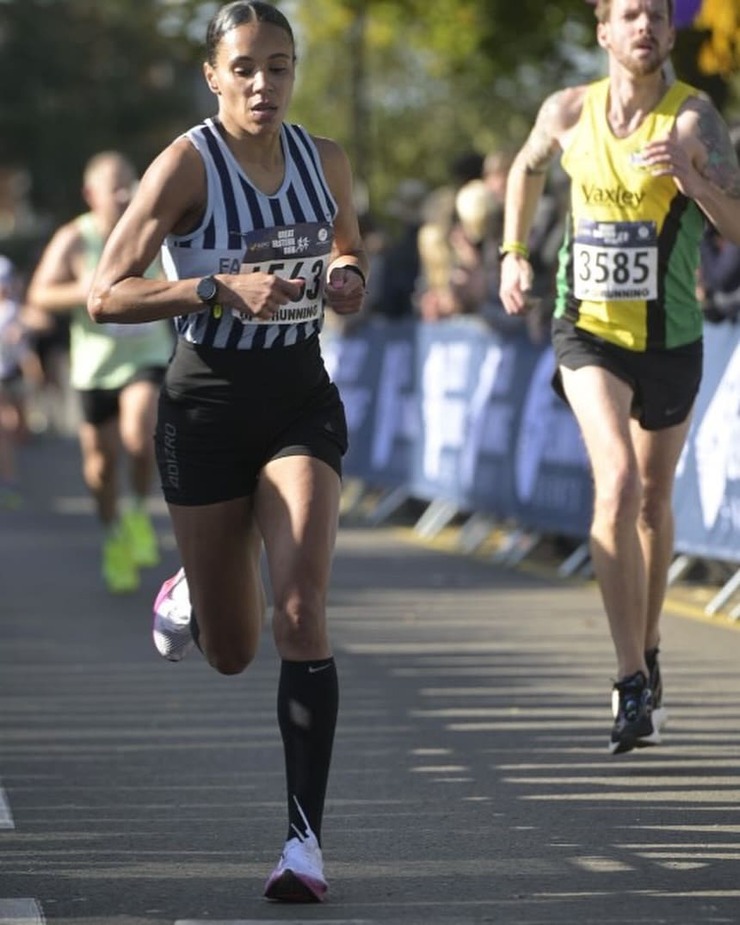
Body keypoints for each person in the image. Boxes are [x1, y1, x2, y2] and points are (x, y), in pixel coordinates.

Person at [86, 1, 367, 904]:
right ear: (214, 74)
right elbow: (106, 294)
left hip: (297, 398)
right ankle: (193, 589)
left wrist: (348, 273)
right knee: (234, 649)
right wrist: (212, 286)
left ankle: (303, 845)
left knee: (300, 610)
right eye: (244, 66)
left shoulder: (324, 161)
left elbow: (348, 243)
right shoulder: (185, 164)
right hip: (204, 405)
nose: (262, 83)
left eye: (278, 66)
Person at [500, 0, 740, 755]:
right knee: (618, 486)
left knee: (654, 500)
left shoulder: (695, 120)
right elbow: (524, 167)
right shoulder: (568, 110)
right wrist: (513, 252)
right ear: (603, 29)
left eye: (657, 18)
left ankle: (651, 641)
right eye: (629, 14)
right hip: (588, 331)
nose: (644, 28)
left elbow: (737, 223)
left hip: (670, 338)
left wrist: (696, 184)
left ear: (672, 36)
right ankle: (631, 678)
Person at [27, 151, 172, 594]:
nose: (125, 194)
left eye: (130, 183)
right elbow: (39, 294)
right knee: (101, 467)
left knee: (140, 430)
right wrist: (88, 288)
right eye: (115, 187)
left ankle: (136, 512)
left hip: (146, 355)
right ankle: (114, 536)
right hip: (95, 369)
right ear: (91, 195)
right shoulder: (75, 238)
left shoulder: (151, 229)